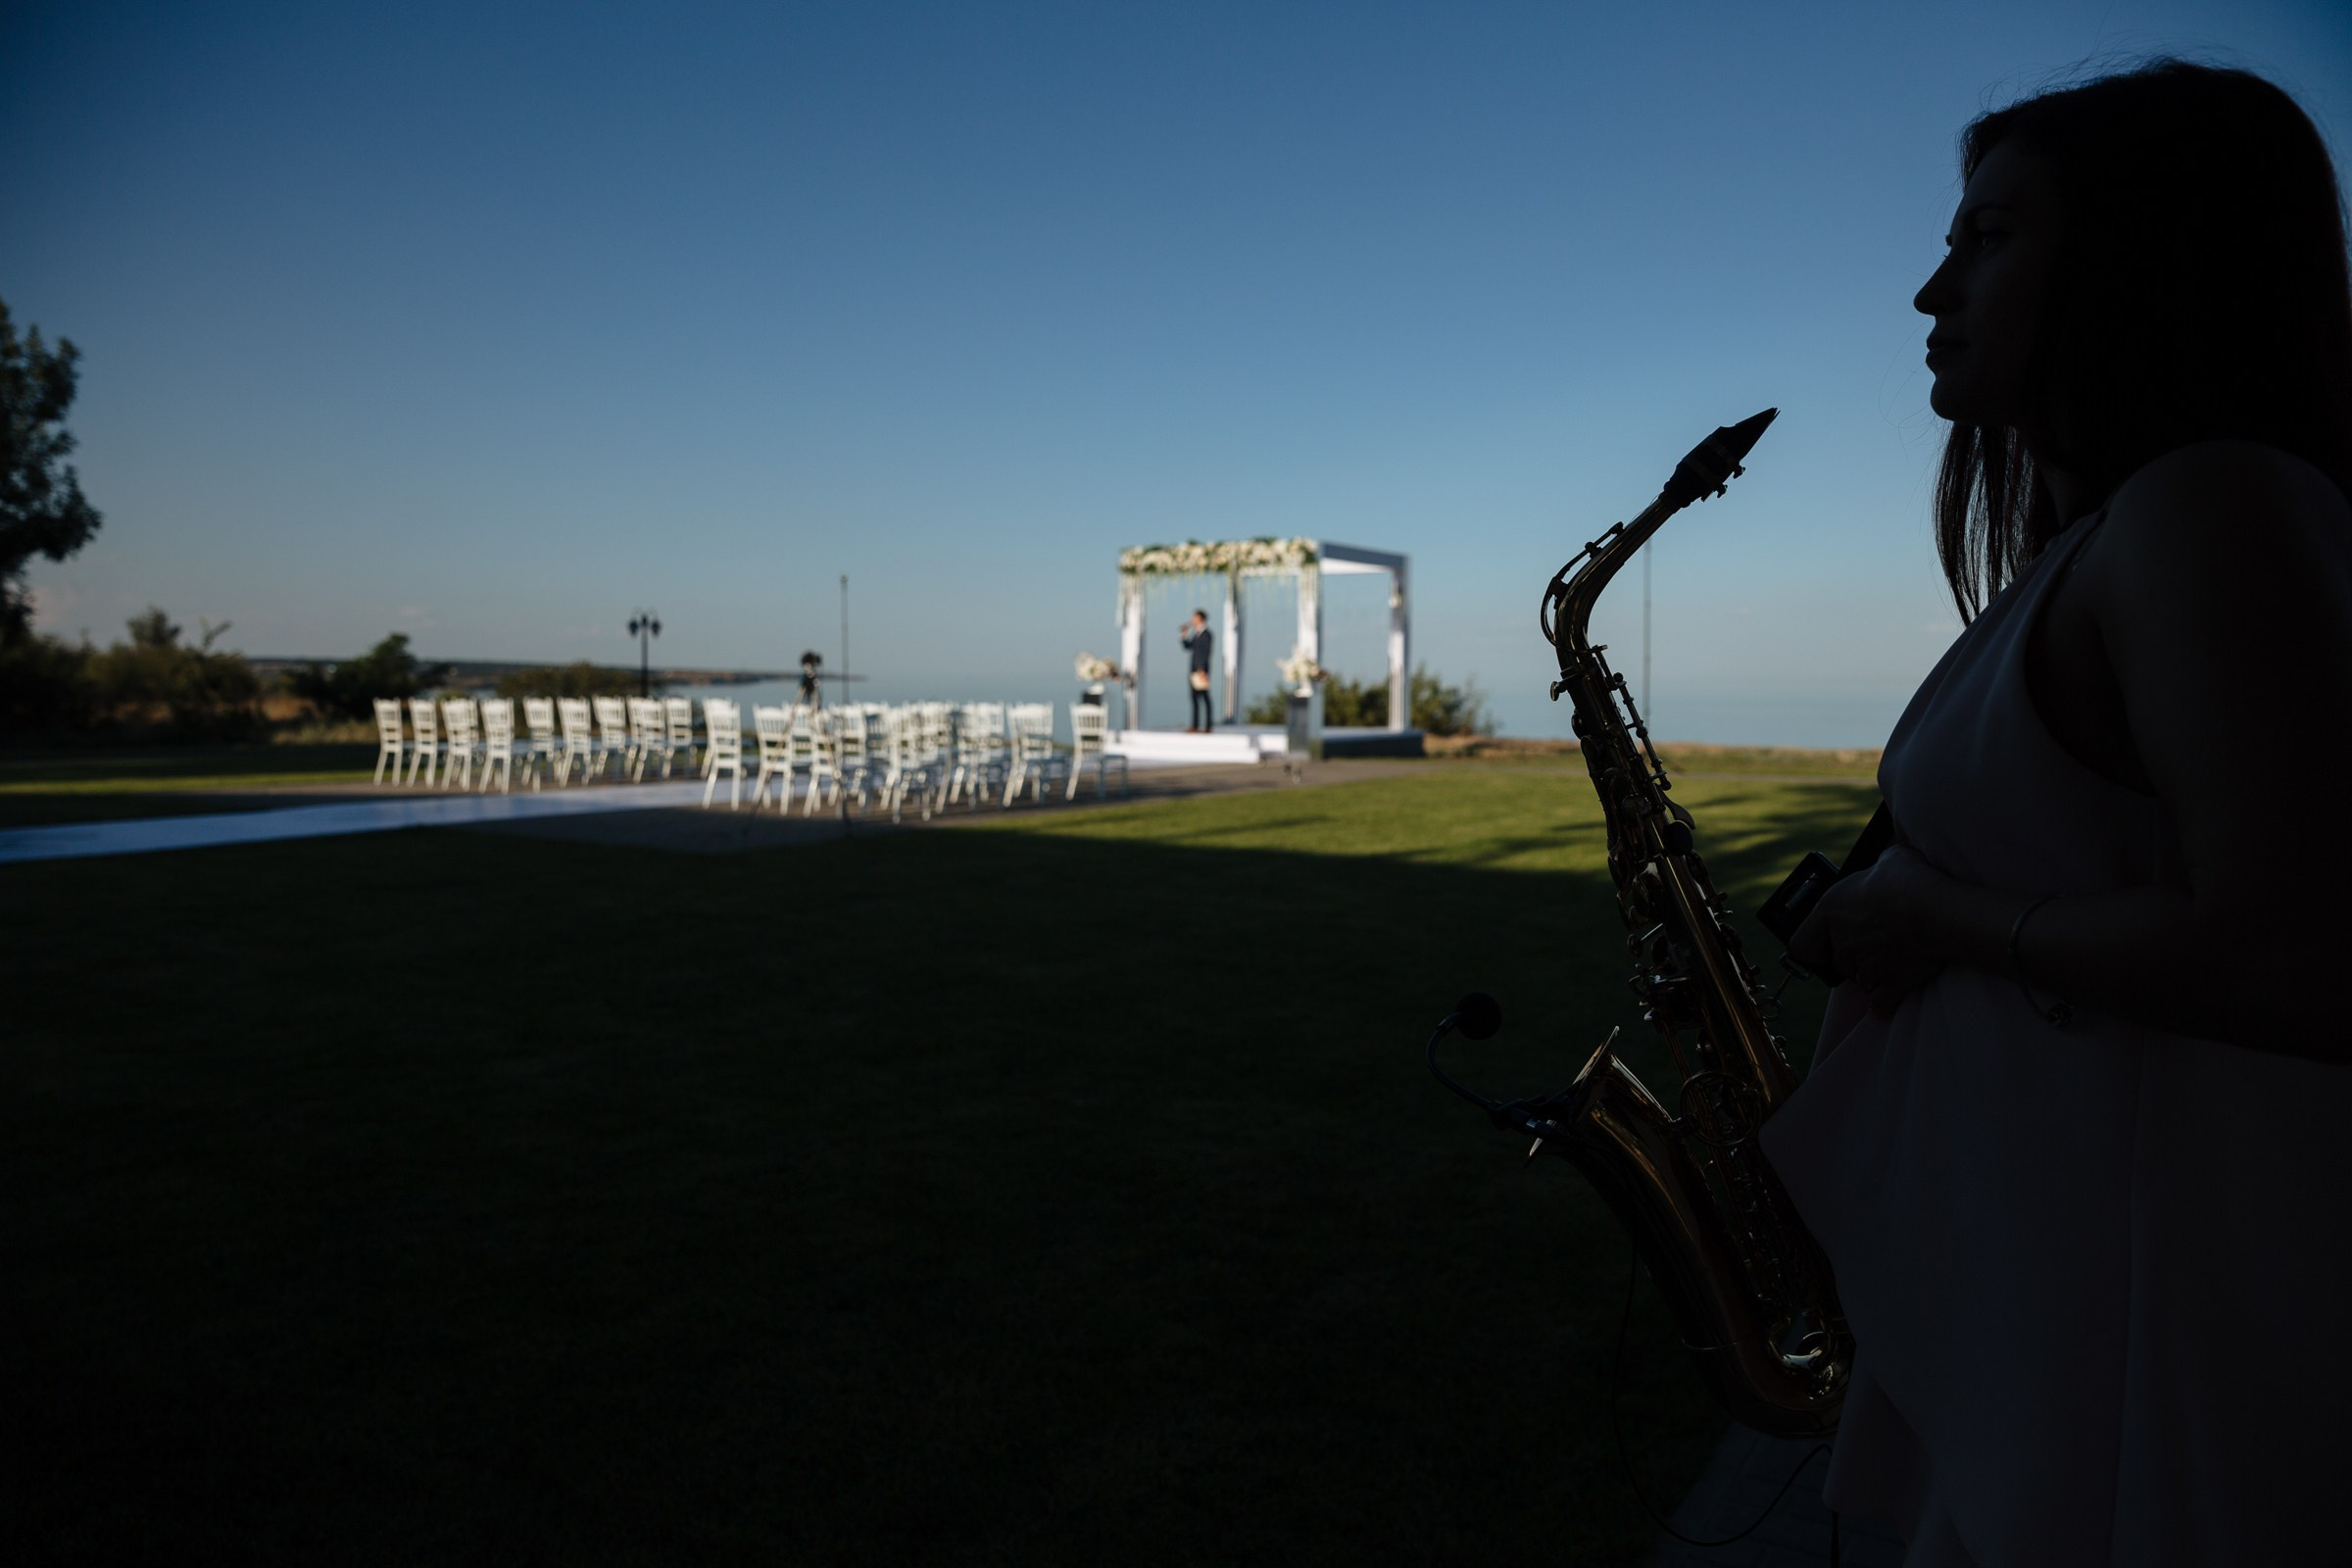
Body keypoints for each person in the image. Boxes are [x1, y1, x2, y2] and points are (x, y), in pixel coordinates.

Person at [1768, 61, 2352, 1565]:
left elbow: (2295, 957)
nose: (1927, 290)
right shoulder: (2118, 532)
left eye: (1988, 239)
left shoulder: (2209, 505)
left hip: (2144, 1343)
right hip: (2054, 1294)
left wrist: (1931, 920)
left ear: (2146, 258)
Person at [1181, 609, 1214, 731]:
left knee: (1204, 697)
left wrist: (1201, 669)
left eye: (1194, 618)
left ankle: (1208, 725)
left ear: (1200, 619)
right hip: (1194, 670)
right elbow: (1188, 647)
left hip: (1201, 670)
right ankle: (1195, 725)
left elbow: (1205, 653)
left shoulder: (1207, 634)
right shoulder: (1196, 634)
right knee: (1194, 697)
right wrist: (1184, 635)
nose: (1192, 620)